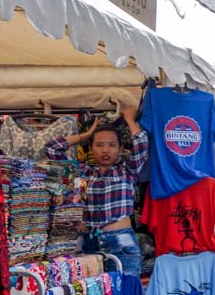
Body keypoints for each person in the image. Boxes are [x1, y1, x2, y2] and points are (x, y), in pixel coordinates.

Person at [44, 104, 149, 277]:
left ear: (120, 149)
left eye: (112, 145)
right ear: (91, 148)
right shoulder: (82, 172)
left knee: (126, 293)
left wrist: (129, 119)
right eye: (99, 145)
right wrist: (85, 136)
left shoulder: (127, 171)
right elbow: (51, 149)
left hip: (121, 241)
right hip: (89, 243)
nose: (105, 150)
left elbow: (142, 143)